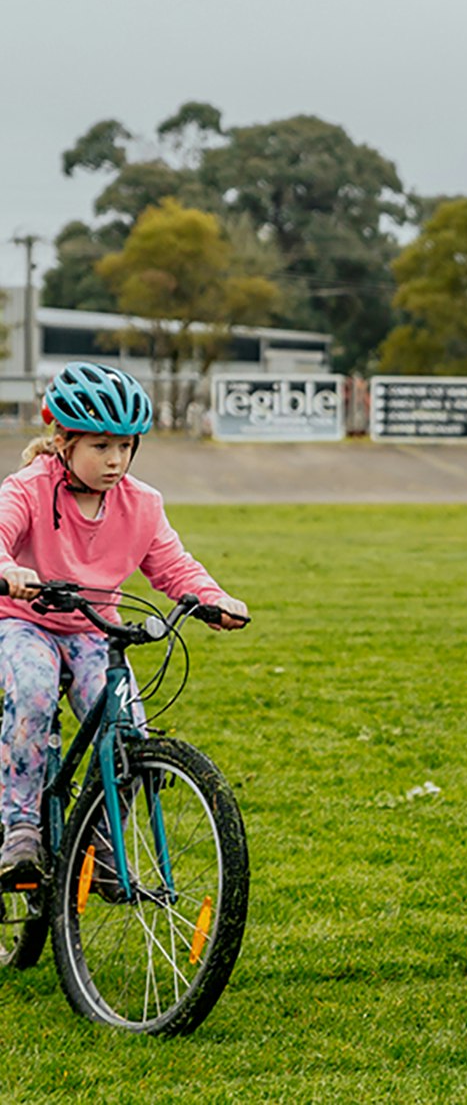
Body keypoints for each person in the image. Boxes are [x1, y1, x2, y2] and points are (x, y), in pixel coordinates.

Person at [0, 362, 249, 886]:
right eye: (100, 446)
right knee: (34, 691)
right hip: (25, 621)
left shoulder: (142, 504)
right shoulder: (27, 489)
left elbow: (172, 565)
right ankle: (21, 828)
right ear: (64, 441)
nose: (115, 460)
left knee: (129, 726)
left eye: (126, 447)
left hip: (94, 628)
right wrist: (9, 569)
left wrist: (213, 599)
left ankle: (102, 839)